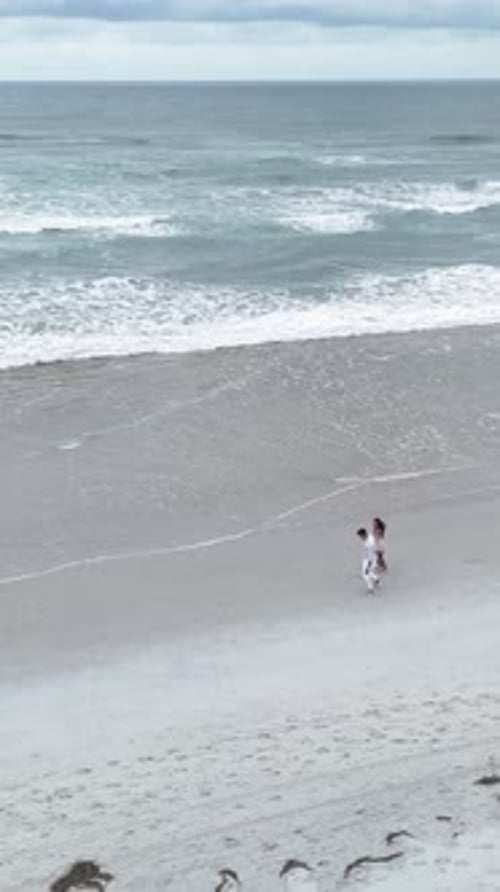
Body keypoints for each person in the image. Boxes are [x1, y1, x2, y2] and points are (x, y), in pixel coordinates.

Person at [357, 527, 379, 593]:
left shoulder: (369, 543)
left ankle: (370, 588)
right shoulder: (369, 537)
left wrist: (368, 567)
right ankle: (376, 578)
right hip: (368, 558)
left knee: (365, 574)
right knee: (368, 572)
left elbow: (370, 556)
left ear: (364, 534)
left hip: (370, 560)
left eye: (360, 536)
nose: (360, 538)